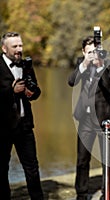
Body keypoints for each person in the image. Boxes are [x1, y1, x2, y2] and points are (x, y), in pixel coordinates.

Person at [68, 35, 110, 200]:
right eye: (89, 52)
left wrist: (99, 66)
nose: (93, 55)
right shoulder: (81, 63)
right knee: (82, 159)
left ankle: (108, 194)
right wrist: (84, 63)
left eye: (96, 51)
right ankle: (81, 194)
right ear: (84, 52)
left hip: (104, 119)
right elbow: (71, 81)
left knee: (107, 161)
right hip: (85, 119)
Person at [0, 32, 43, 199]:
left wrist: (31, 92)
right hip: (3, 127)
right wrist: (11, 91)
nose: (19, 49)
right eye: (15, 46)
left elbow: (37, 90)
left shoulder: (26, 65)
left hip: (25, 126)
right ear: (4, 48)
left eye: (20, 45)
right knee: (2, 169)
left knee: (32, 168)